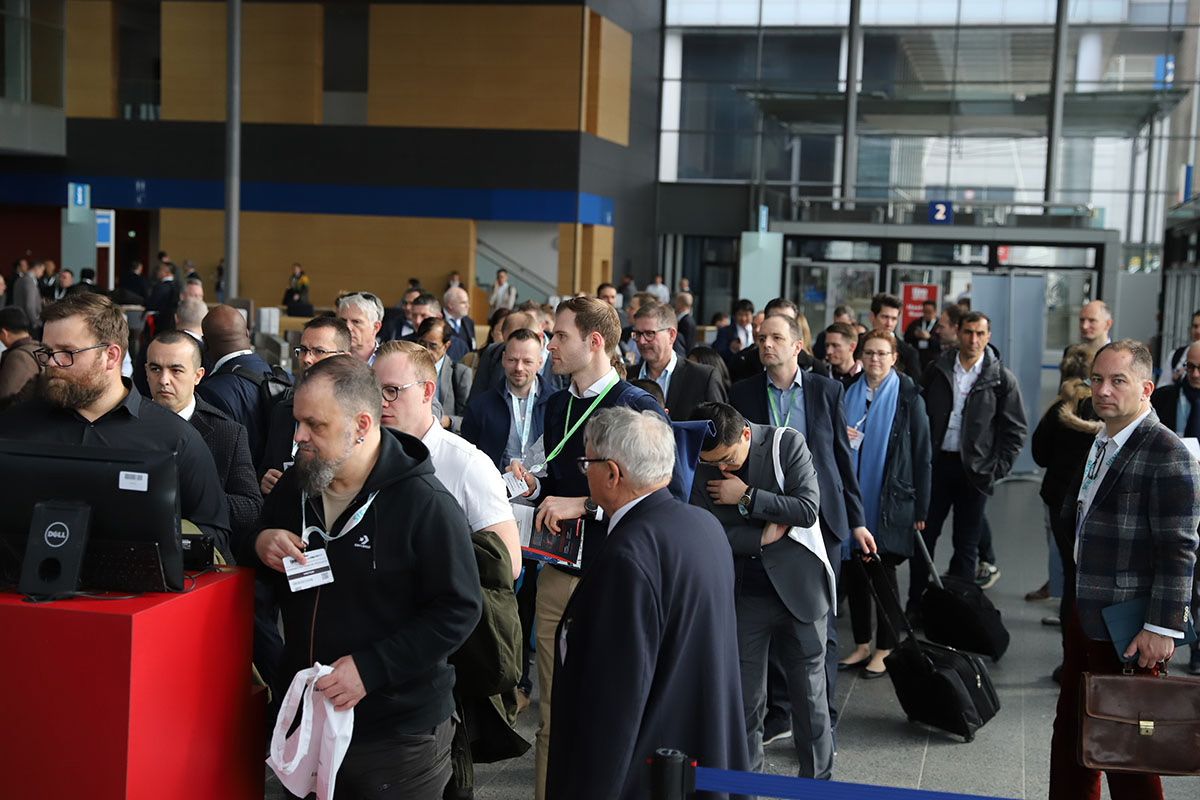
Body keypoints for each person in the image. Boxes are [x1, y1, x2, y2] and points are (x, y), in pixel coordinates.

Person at [251, 356, 482, 800]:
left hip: (395, 733)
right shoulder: (298, 483)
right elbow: (254, 541)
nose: (299, 437)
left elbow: (459, 609)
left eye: (314, 425)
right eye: (297, 422)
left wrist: (372, 668)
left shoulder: (425, 504)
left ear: (361, 425)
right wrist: (262, 541)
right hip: (310, 713)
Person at [505, 296, 664, 800]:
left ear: (594, 342)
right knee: (552, 714)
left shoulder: (637, 406)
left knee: (616, 709)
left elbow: (662, 497)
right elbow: (558, 480)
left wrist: (589, 505)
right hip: (558, 572)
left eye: (559, 336)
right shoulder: (557, 404)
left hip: (617, 576)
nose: (549, 345)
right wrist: (535, 487)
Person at [548, 407, 749, 799]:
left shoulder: (628, 555)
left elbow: (614, 701)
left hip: (648, 773)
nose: (584, 472)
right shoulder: (704, 526)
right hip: (704, 747)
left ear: (612, 474)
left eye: (587, 462)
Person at [1048, 340, 1200, 799]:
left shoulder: (1167, 451)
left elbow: (1179, 549)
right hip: (1087, 612)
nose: (1103, 390)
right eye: (1097, 379)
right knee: (1074, 736)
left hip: (1129, 626)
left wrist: (1162, 627)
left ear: (1147, 388)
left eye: (1118, 381)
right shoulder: (1102, 440)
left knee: (1126, 748)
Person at [0, 292, 231, 558]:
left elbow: (214, 536)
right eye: (48, 352)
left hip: (138, 583)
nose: (52, 363)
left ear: (110, 356)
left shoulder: (176, 438)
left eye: (66, 353)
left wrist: (158, 539)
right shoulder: (15, 427)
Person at [728, 312, 872, 738]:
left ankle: (823, 716)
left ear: (797, 346)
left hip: (820, 519)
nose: (766, 344)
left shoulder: (826, 390)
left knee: (820, 622)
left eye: (775, 337)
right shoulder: (743, 392)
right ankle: (781, 713)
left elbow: (841, 459)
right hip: (766, 516)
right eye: (761, 338)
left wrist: (857, 521)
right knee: (773, 614)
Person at [688, 402, 842, 779]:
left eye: (728, 459)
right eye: (713, 463)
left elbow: (806, 509)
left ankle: (817, 786)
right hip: (744, 596)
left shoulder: (787, 444)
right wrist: (758, 538)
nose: (722, 469)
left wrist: (746, 496)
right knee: (744, 706)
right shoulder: (702, 460)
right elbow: (705, 531)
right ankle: (744, 789)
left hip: (800, 592)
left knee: (811, 702)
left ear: (745, 434)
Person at [908, 311, 1027, 616]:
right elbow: (917, 415)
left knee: (966, 546)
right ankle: (915, 606)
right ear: (958, 333)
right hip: (936, 468)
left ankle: (957, 615)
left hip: (975, 472)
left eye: (980, 333)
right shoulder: (937, 369)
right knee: (924, 539)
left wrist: (995, 470)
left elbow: (1015, 430)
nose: (974, 339)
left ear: (988, 337)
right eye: (969, 332)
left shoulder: (1001, 379)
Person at [373, 340, 521, 576]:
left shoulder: (469, 465)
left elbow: (508, 564)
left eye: (392, 390)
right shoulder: (365, 456)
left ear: (427, 391)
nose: (380, 401)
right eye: (374, 390)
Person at [837, 330, 931, 679]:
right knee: (855, 574)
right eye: (869, 353)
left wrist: (921, 508)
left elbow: (923, 455)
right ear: (860, 357)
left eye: (881, 353)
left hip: (891, 500)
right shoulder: (846, 391)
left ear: (894, 358)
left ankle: (885, 648)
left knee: (884, 575)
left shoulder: (909, 398)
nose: (875, 359)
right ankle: (862, 644)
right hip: (852, 498)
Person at [145, 331, 262, 556]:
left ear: (198, 375)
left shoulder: (228, 432)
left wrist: (193, 498)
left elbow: (250, 508)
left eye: (176, 370)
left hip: (199, 555)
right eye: (155, 369)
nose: (164, 380)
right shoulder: (125, 425)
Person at [1031, 346, 1103, 678]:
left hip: (1060, 501)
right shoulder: (1109, 413)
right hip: (1099, 506)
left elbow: (1040, 455)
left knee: (1072, 579)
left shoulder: (1058, 408)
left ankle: (1070, 662)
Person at [260, 316, 351, 492]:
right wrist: (264, 479)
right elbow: (267, 465)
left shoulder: (353, 416)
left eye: (319, 351)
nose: (307, 359)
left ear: (344, 358)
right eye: (303, 350)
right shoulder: (282, 411)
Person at [196, 304, 277, 471]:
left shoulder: (210, 391)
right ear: (247, 333)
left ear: (205, 343)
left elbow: (214, 457)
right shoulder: (282, 377)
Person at [461, 328, 550, 470]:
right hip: (495, 482)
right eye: (512, 360)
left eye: (527, 361)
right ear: (503, 359)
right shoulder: (480, 407)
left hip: (542, 482)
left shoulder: (556, 404)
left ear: (540, 362)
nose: (519, 368)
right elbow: (468, 459)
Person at [632, 301, 725, 420]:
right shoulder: (627, 377)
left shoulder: (703, 377)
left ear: (671, 335)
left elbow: (720, 426)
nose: (641, 341)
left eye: (649, 334)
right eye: (638, 334)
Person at [728, 299, 830, 383]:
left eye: (787, 320)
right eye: (773, 319)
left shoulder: (815, 369)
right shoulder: (742, 363)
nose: (779, 324)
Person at [416, 317, 472, 432]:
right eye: (422, 343)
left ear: (446, 346)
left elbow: (469, 419)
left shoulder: (460, 374)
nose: (426, 350)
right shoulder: (409, 369)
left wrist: (448, 421)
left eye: (433, 346)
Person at [867, 294, 921, 378]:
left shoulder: (909, 353)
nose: (889, 324)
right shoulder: (858, 343)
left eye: (894, 319)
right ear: (872, 317)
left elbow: (914, 384)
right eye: (885, 317)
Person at [0, 306, 42, 409]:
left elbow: (4, 397)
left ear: (4, 333)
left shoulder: (18, 356)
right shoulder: (38, 347)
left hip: (20, 415)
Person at [336, 291, 385, 363]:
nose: (348, 327)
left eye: (356, 322)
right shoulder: (328, 359)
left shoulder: (388, 361)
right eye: (343, 321)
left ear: (375, 327)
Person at [1159, 309, 1200, 387]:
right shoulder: (1176, 355)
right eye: (1195, 326)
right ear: (1189, 330)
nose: (1198, 331)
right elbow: (1163, 387)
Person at [145, 261, 180, 335]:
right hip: (172, 324)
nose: (157, 272)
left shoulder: (160, 287)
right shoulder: (178, 286)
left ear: (167, 272)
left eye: (160, 270)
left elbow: (151, 305)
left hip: (158, 323)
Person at [904, 299, 941, 371]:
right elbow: (906, 338)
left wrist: (929, 338)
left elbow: (941, 343)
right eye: (925, 312)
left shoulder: (939, 325)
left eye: (929, 312)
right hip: (918, 358)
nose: (927, 314)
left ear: (935, 311)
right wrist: (915, 335)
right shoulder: (915, 323)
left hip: (933, 358)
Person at [822, 322, 862, 387]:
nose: (829, 351)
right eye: (827, 345)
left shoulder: (865, 378)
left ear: (852, 347)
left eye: (835, 345)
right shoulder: (821, 375)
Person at [442, 286, 476, 362]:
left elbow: (473, 347)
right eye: (463, 303)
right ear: (450, 305)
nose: (468, 306)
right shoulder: (437, 319)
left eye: (467, 302)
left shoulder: (469, 322)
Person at [14, 260, 44, 334]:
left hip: (20, 319)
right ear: (36, 268)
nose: (42, 273)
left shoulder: (19, 279)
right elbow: (29, 305)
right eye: (42, 270)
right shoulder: (29, 281)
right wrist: (36, 322)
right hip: (29, 322)